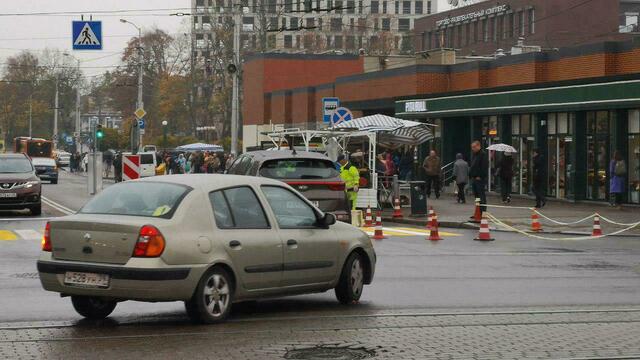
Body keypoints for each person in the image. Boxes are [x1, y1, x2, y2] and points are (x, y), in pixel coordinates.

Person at [469, 141, 488, 213]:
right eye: (472, 147)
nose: (472, 149)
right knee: (476, 196)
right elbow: (473, 165)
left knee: (481, 195)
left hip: (479, 178)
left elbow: (484, 167)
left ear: (478, 146)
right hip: (474, 178)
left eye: (474, 147)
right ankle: (478, 210)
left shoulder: (482, 155)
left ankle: (483, 211)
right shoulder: (475, 155)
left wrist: (480, 176)